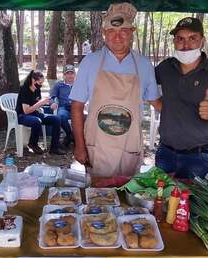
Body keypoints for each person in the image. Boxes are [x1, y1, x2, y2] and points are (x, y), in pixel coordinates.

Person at [69, 2, 162, 178]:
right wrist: (79, 146)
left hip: (129, 146)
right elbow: (76, 106)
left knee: (127, 195)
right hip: (97, 145)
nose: (117, 37)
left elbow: (156, 102)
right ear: (104, 33)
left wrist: (186, 113)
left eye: (123, 31)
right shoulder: (90, 62)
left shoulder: (143, 64)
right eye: (111, 31)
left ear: (132, 32)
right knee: (98, 197)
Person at [154, 17, 208, 179]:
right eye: (180, 39)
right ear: (174, 41)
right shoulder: (165, 68)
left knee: (193, 203)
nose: (186, 44)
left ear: (202, 41)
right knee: (160, 201)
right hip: (165, 153)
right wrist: (154, 101)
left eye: (192, 38)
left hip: (198, 157)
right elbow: (145, 86)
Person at [16, 70, 66, 155]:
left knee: (56, 119)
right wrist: (40, 103)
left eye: (42, 83)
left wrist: (48, 103)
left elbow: (37, 105)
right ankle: (33, 144)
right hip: (22, 115)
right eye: (39, 83)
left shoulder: (37, 90)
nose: (41, 85)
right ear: (33, 80)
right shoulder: (24, 89)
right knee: (37, 121)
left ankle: (54, 147)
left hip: (35, 114)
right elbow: (26, 110)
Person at [50, 64, 76, 148]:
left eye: (71, 73)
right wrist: (53, 102)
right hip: (64, 107)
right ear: (64, 75)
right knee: (60, 116)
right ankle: (70, 135)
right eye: (67, 73)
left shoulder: (79, 84)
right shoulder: (58, 85)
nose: (69, 75)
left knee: (87, 117)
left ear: (74, 74)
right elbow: (52, 96)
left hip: (77, 108)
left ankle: (75, 139)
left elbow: (87, 96)